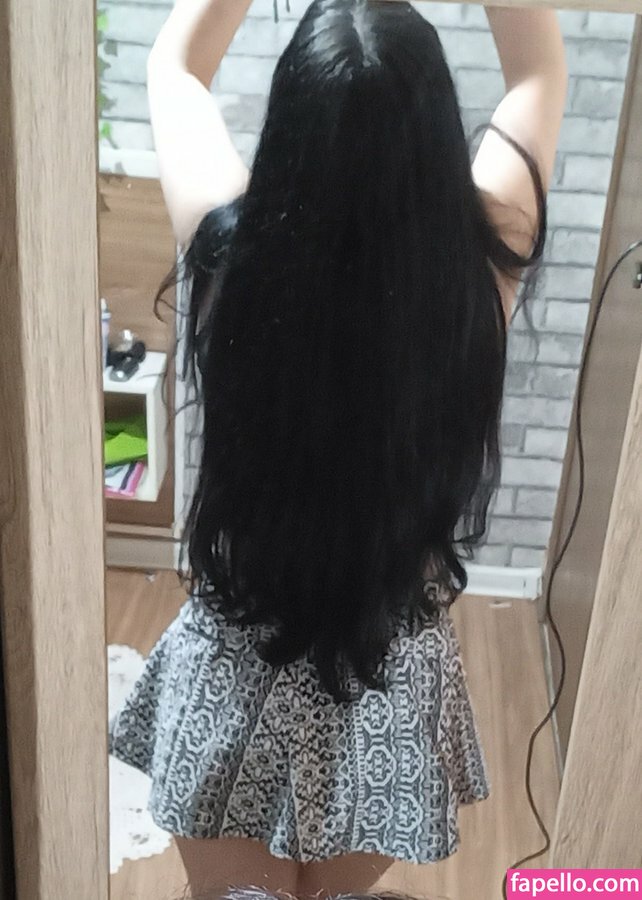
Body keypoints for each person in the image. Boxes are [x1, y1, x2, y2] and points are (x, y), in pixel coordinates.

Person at [109, 1, 567, 897]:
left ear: (288, 131)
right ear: (435, 140)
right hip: (385, 687)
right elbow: (539, 70)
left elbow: (175, 66)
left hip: (236, 679)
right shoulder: (479, 274)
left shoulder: (230, 261)